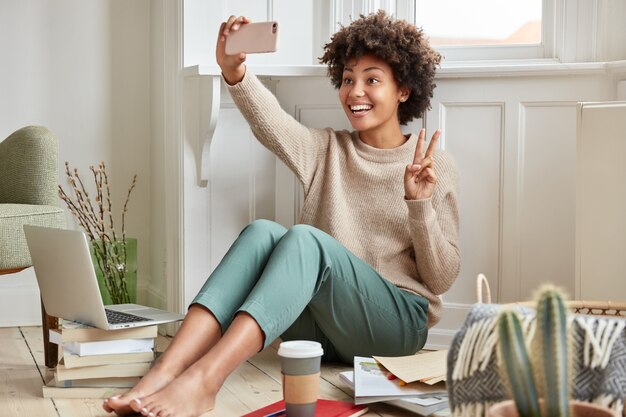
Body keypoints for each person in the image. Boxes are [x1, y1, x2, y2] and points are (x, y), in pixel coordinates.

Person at [103, 10, 460, 417]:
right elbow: (268, 121)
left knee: (303, 239)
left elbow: (442, 277)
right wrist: (233, 69)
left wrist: (418, 205)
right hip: (324, 332)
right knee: (261, 233)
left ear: (404, 90)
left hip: (396, 326)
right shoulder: (328, 150)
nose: (355, 91)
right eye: (347, 78)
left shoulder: (433, 166)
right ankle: (165, 371)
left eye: (372, 79)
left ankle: (205, 381)